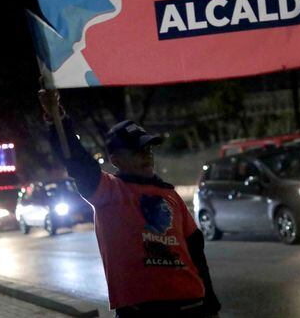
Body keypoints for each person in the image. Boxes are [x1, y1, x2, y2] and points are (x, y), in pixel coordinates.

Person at [39, 89, 221, 318]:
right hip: (140, 311)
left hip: (191, 306)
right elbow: (76, 160)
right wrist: (57, 118)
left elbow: (196, 252)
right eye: (136, 151)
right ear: (116, 160)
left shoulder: (171, 196)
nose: (146, 155)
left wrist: (211, 306)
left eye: (148, 149)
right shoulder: (107, 190)